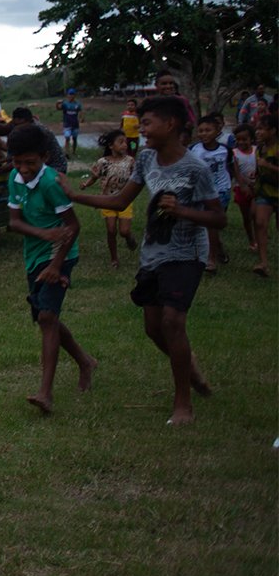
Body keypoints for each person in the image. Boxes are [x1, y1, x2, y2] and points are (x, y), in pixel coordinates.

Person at [61, 95, 224, 424]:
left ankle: (183, 404)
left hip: (186, 254)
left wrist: (182, 211)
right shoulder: (147, 158)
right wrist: (77, 195)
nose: (140, 128)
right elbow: (121, 201)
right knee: (153, 328)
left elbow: (219, 219)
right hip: (154, 254)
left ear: (170, 124)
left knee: (172, 323)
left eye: (146, 122)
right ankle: (189, 367)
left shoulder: (195, 167)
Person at [6, 124, 97, 414]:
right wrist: (44, 235)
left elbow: (73, 226)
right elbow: (14, 222)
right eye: (17, 162)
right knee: (47, 318)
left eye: (30, 163)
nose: (24, 168)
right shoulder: (15, 178)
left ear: (44, 157)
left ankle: (45, 393)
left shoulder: (52, 183)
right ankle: (85, 361)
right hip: (35, 256)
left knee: (46, 317)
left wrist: (57, 266)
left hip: (61, 255)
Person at [81, 130, 138, 268]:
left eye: (126, 142)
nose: (125, 145)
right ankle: (114, 259)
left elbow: (137, 178)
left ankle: (129, 237)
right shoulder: (103, 162)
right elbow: (95, 176)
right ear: (111, 146)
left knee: (124, 231)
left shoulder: (130, 161)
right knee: (111, 230)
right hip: (107, 200)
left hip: (125, 199)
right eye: (121, 142)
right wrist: (86, 184)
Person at [190, 114, 233, 273]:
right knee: (200, 224)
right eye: (201, 131)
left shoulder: (225, 150)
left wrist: (241, 183)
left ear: (217, 131)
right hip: (200, 191)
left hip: (220, 191)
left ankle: (211, 259)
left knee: (210, 223)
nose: (204, 134)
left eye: (208, 130)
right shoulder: (194, 149)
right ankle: (218, 247)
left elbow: (231, 168)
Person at [253, 114, 278, 278]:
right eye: (257, 128)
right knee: (260, 223)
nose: (258, 132)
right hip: (265, 192)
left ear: (273, 131)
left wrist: (268, 165)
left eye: (262, 129)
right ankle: (263, 263)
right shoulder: (260, 148)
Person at [230, 123, 258, 251]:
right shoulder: (234, 153)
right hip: (241, 188)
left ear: (251, 139)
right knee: (246, 217)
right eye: (238, 139)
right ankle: (251, 240)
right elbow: (236, 172)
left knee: (254, 214)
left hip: (257, 188)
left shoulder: (256, 151)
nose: (241, 142)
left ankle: (258, 239)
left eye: (244, 139)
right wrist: (244, 185)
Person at [56, 88, 84, 155]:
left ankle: (74, 152)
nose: (71, 96)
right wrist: (57, 103)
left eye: (72, 94)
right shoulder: (65, 104)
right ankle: (66, 153)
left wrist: (81, 118)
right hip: (67, 124)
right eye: (70, 94)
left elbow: (80, 111)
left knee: (74, 139)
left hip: (75, 124)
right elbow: (58, 108)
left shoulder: (77, 104)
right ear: (67, 95)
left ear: (75, 95)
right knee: (67, 138)